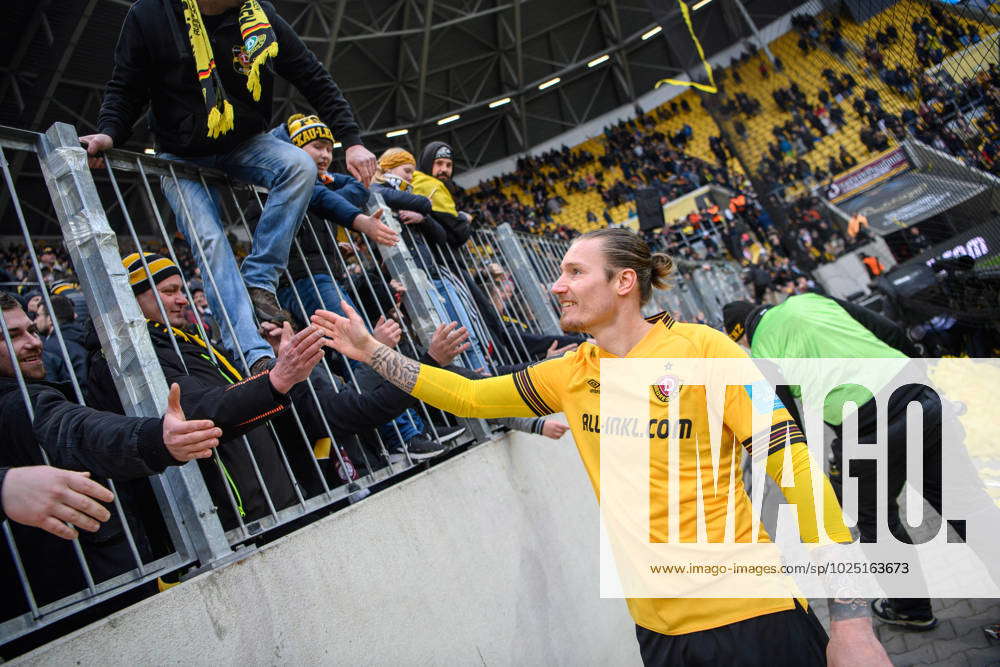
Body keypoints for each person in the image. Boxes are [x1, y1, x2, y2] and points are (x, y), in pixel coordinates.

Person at [311, 229, 889, 665]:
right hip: (658, 635)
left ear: (623, 282)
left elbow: (797, 470)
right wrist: (371, 354)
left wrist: (853, 622)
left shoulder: (704, 350)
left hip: (754, 620)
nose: (555, 285)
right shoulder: (568, 373)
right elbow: (466, 397)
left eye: (573, 272)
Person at [80, 0, 377, 376]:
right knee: (210, 243)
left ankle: (260, 279)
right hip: (180, 153)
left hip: (245, 142)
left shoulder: (259, 14)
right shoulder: (150, 14)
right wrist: (109, 132)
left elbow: (312, 76)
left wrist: (351, 139)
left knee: (299, 166)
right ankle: (252, 353)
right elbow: (126, 86)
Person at [723, 293, 997, 631]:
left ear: (741, 337)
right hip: (917, 398)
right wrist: (925, 381)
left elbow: (789, 429)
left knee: (875, 523)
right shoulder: (811, 300)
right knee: (968, 505)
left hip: (867, 430)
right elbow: (890, 331)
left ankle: (911, 608)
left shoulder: (761, 351)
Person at [0, 291, 222, 615]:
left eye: (32, 330)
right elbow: (77, 430)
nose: (33, 342)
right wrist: (154, 438)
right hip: (82, 605)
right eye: (11, 336)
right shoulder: (18, 406)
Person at [34, 294, 89, 385]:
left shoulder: (51, 347)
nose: (35, 321)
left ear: (50, 319)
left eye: (38, 315)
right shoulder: (85, 336)